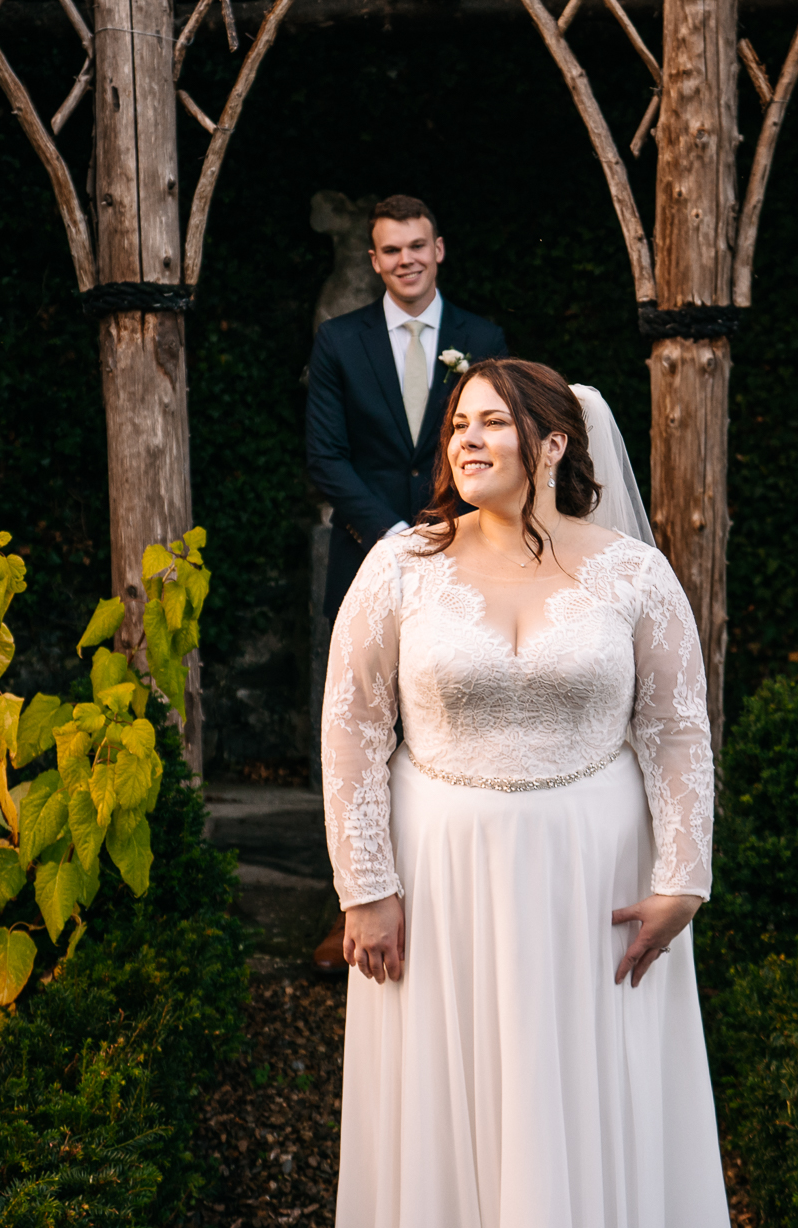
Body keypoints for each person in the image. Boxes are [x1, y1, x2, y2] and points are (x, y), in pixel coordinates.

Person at [321, 358, 737, 1228]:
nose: (466, 440)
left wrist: (682, 880)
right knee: (446, 1100)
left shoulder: (635, 573)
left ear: (551, 444)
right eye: (458, 426)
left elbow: (675, 730)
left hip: (596, 880)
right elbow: (351, 725)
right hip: (438, 878)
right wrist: (366, 888)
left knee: (584, 1096)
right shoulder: (400, 566)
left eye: (491, 424)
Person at [305, 194, 507, 974]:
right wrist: (397, 543)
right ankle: (352, 902)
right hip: (368, 556)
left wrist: (452, 536)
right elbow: (327, 457)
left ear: (440, 248)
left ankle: (457, 896)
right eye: (390, 251)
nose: (406, 261)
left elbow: (495, 442)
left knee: (454, 717)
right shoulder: (339, 342)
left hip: (470, 556)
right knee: (361, 729)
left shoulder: (482, 338)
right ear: (374, 260)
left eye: (417, 246)